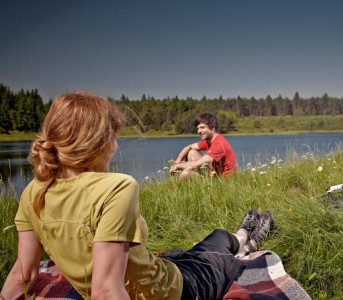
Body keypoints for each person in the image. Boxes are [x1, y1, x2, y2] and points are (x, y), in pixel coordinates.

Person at [0, 91, 274, 300]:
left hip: (155, 271)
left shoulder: (33, 191)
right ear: (97, 142)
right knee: (225, 259)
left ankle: (239, 237)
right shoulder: (116, 188)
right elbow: (106, 291)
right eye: (113, 137)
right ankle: (244, 242)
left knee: (207, 243)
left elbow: (23, 274)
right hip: (173, 291)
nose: (116, 147)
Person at [169, 113, 237, 179]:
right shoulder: (209, 141)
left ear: (213, 128)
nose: (199, 131)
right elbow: (189, 147)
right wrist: (177, 161)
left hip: (223, 181)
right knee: (192, 152)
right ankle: (195, 185)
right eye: (198, 128)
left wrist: (177, 166)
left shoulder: (219, 143)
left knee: (185, 174)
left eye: (202, 127)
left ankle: (176, 190)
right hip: (213, 175)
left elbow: (196, 164)